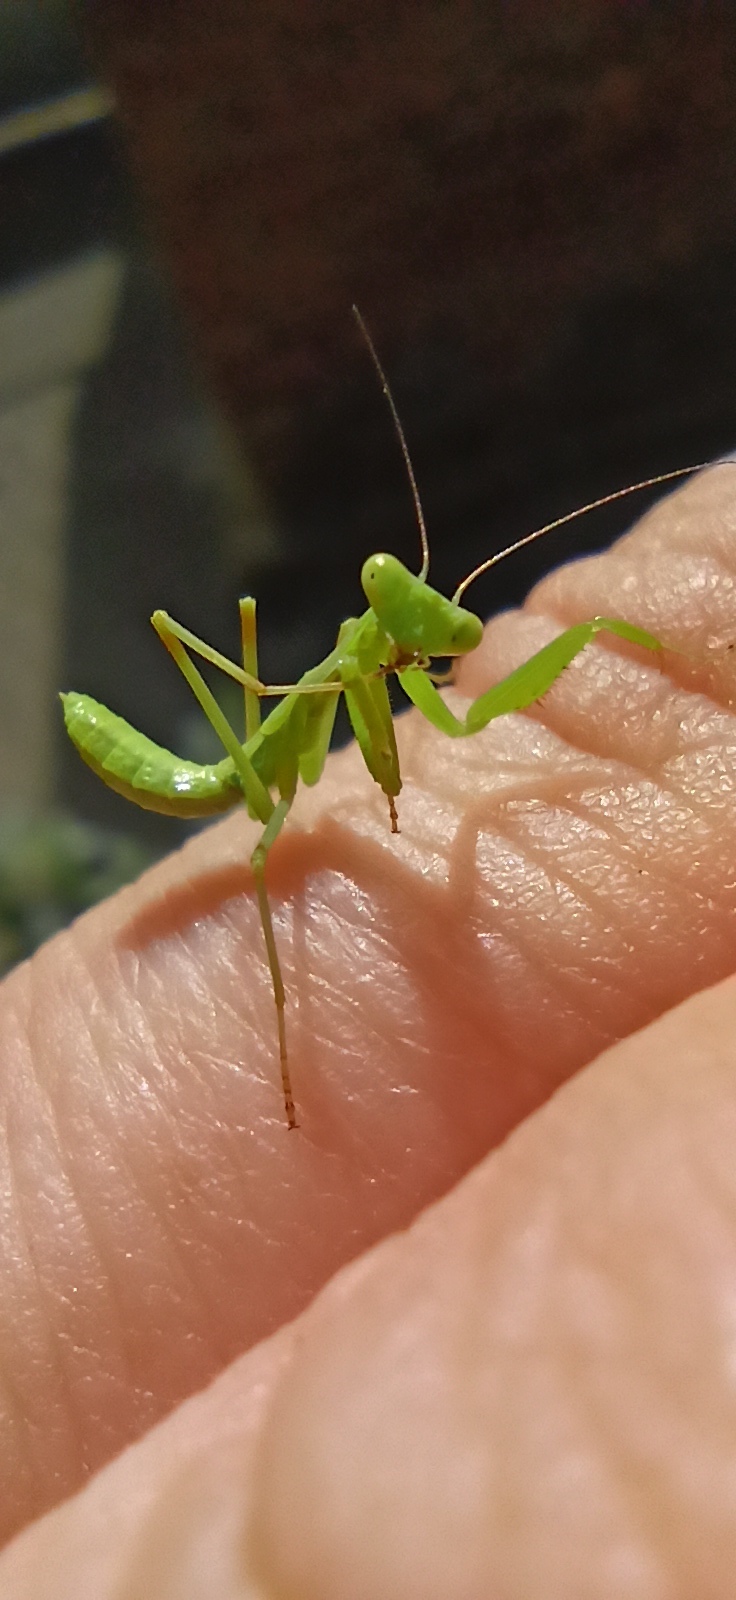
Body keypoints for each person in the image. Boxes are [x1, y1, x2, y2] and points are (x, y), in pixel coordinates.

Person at [2, 465, 736, 1596]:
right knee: (257, 847)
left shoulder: (377, 666)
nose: (447, 639)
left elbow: (443, 717)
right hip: (210, 779)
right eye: (429, 628)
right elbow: (444, 727)